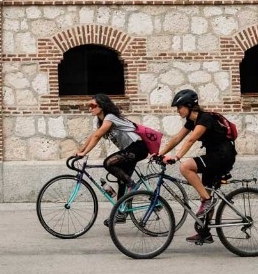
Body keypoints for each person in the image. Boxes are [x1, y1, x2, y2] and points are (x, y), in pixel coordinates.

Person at [156, 88, 236, 243]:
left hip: (222, 156)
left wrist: (177, 157)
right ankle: (205, 233)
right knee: (206, 192)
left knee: (186, 167)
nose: (178, 111)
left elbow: (191, 139)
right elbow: (177, 138)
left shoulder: (204, 118)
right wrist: (160, 153)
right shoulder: (191, 121)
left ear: (188, 105)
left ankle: (207, 201)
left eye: (179, 107)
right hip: (215, 156)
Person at [72, 93, 147, 224]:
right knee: (122, 181)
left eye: (93, 105)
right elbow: (93, 135)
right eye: (89, 105)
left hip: (138, 148)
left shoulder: (110, 117)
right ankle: (121, 213)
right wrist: (80, 150)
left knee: (108, 163)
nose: (90, 108)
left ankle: (133, 187)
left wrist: (84, 154)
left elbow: (97, 137)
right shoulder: (102, 121)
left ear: (101, 106)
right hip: (129, 150)